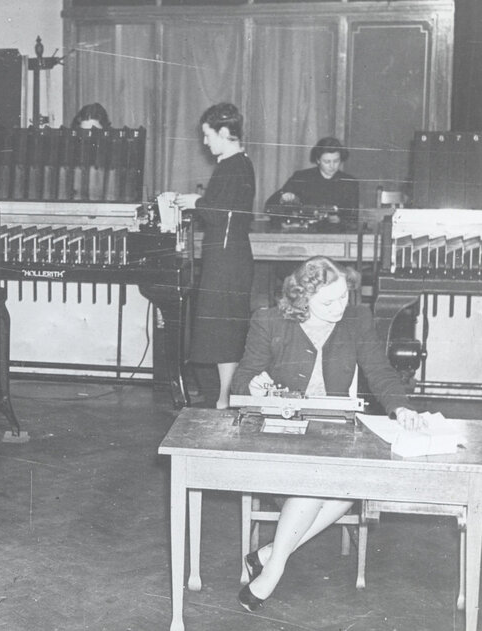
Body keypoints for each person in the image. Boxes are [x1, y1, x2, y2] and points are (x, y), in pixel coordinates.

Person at [230, 256, 424, 612]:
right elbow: (241, 379)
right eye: (327, 302)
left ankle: (273, 556)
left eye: (343, 297)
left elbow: (378, 370)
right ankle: (272, 570)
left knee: (346, 487)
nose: (339, 308)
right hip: (282, 436)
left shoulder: (356, 319)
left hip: (332, 434)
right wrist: (254, 385)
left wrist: (401, 407)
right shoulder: (269, 321)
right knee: (324, 483)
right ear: (303, 299)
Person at [167, 102, 255, 409]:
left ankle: (225, 398)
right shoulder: (232, 165)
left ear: (224, 132)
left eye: (208, 135)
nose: (205, 142)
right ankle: (223, 396)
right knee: (221, 330)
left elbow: (226, 215)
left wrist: (196, 202)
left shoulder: (236, 166)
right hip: (225, 258)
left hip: (229, 261)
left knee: (225, 330)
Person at [264, 137, 360, 228]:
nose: (332, 166)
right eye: (327, 162)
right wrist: (283, 197)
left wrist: (340, 220)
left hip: (336, 235)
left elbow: (353, 218)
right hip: (303, 234)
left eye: (336, 161)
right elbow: (269, 206)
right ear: (318, 160)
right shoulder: (301, 177)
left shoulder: (350, 183)